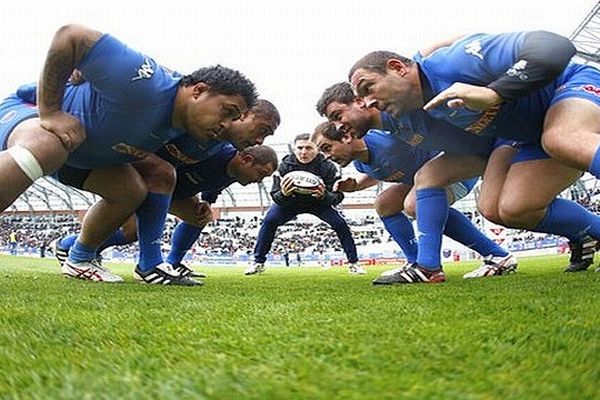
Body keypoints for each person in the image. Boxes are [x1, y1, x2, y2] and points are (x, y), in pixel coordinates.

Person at [0, 24, 258, 284]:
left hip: (81, 153)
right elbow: (72, 36)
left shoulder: (193, 132)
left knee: (130, 191)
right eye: (226, 111)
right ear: (198, 91)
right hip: (29, 115)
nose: (227, 123)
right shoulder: (146, 83)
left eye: (235, 118)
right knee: (49, 144)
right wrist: (52, 112)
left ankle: (79, 258)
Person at [349, 32, 600, 281]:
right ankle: (588, 232)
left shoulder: (453, 62)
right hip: (529, 136)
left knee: (561, 137)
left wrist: (495, 93)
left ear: (397, 68)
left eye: (368, 88)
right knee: (508, 209)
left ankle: (429, 267)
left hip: (571, 86)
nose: (368, 102)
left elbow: (554, 46)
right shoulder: (414, 112)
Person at [47, 99, 279, 285]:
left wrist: (204, 201)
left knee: (198, 215)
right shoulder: (208, 136)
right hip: (142, 175)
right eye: (263, 130)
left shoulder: (229, 163)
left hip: (168, 189)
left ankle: (171, 262)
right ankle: (78, 249)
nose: (260, 139)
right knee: (133, 226)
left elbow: (213, 187)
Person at [316, 82, 517, 279]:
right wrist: (358, 184)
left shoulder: (387, 136)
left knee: (414, 204)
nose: (326, 157)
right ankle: (414, 261)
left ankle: (494, 255)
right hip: (425, 179)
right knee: (384, 203)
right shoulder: (361, 165)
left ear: (347, 137)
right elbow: (383, 170)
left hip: (455, 169)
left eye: (327, 148)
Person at [246, 133, 365, 275]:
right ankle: (258, 262)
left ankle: (354, 263)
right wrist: (284, 194)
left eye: (308, 148)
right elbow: (275, 196)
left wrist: (324, 195)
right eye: (300, 148)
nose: (303, 152)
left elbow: (338, 196)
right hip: (290, 203)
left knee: (340, 225)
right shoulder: (284, 166)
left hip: (319, 203)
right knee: (269, 221)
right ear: (294, 149)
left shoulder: (328, 167)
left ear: (317, 149)